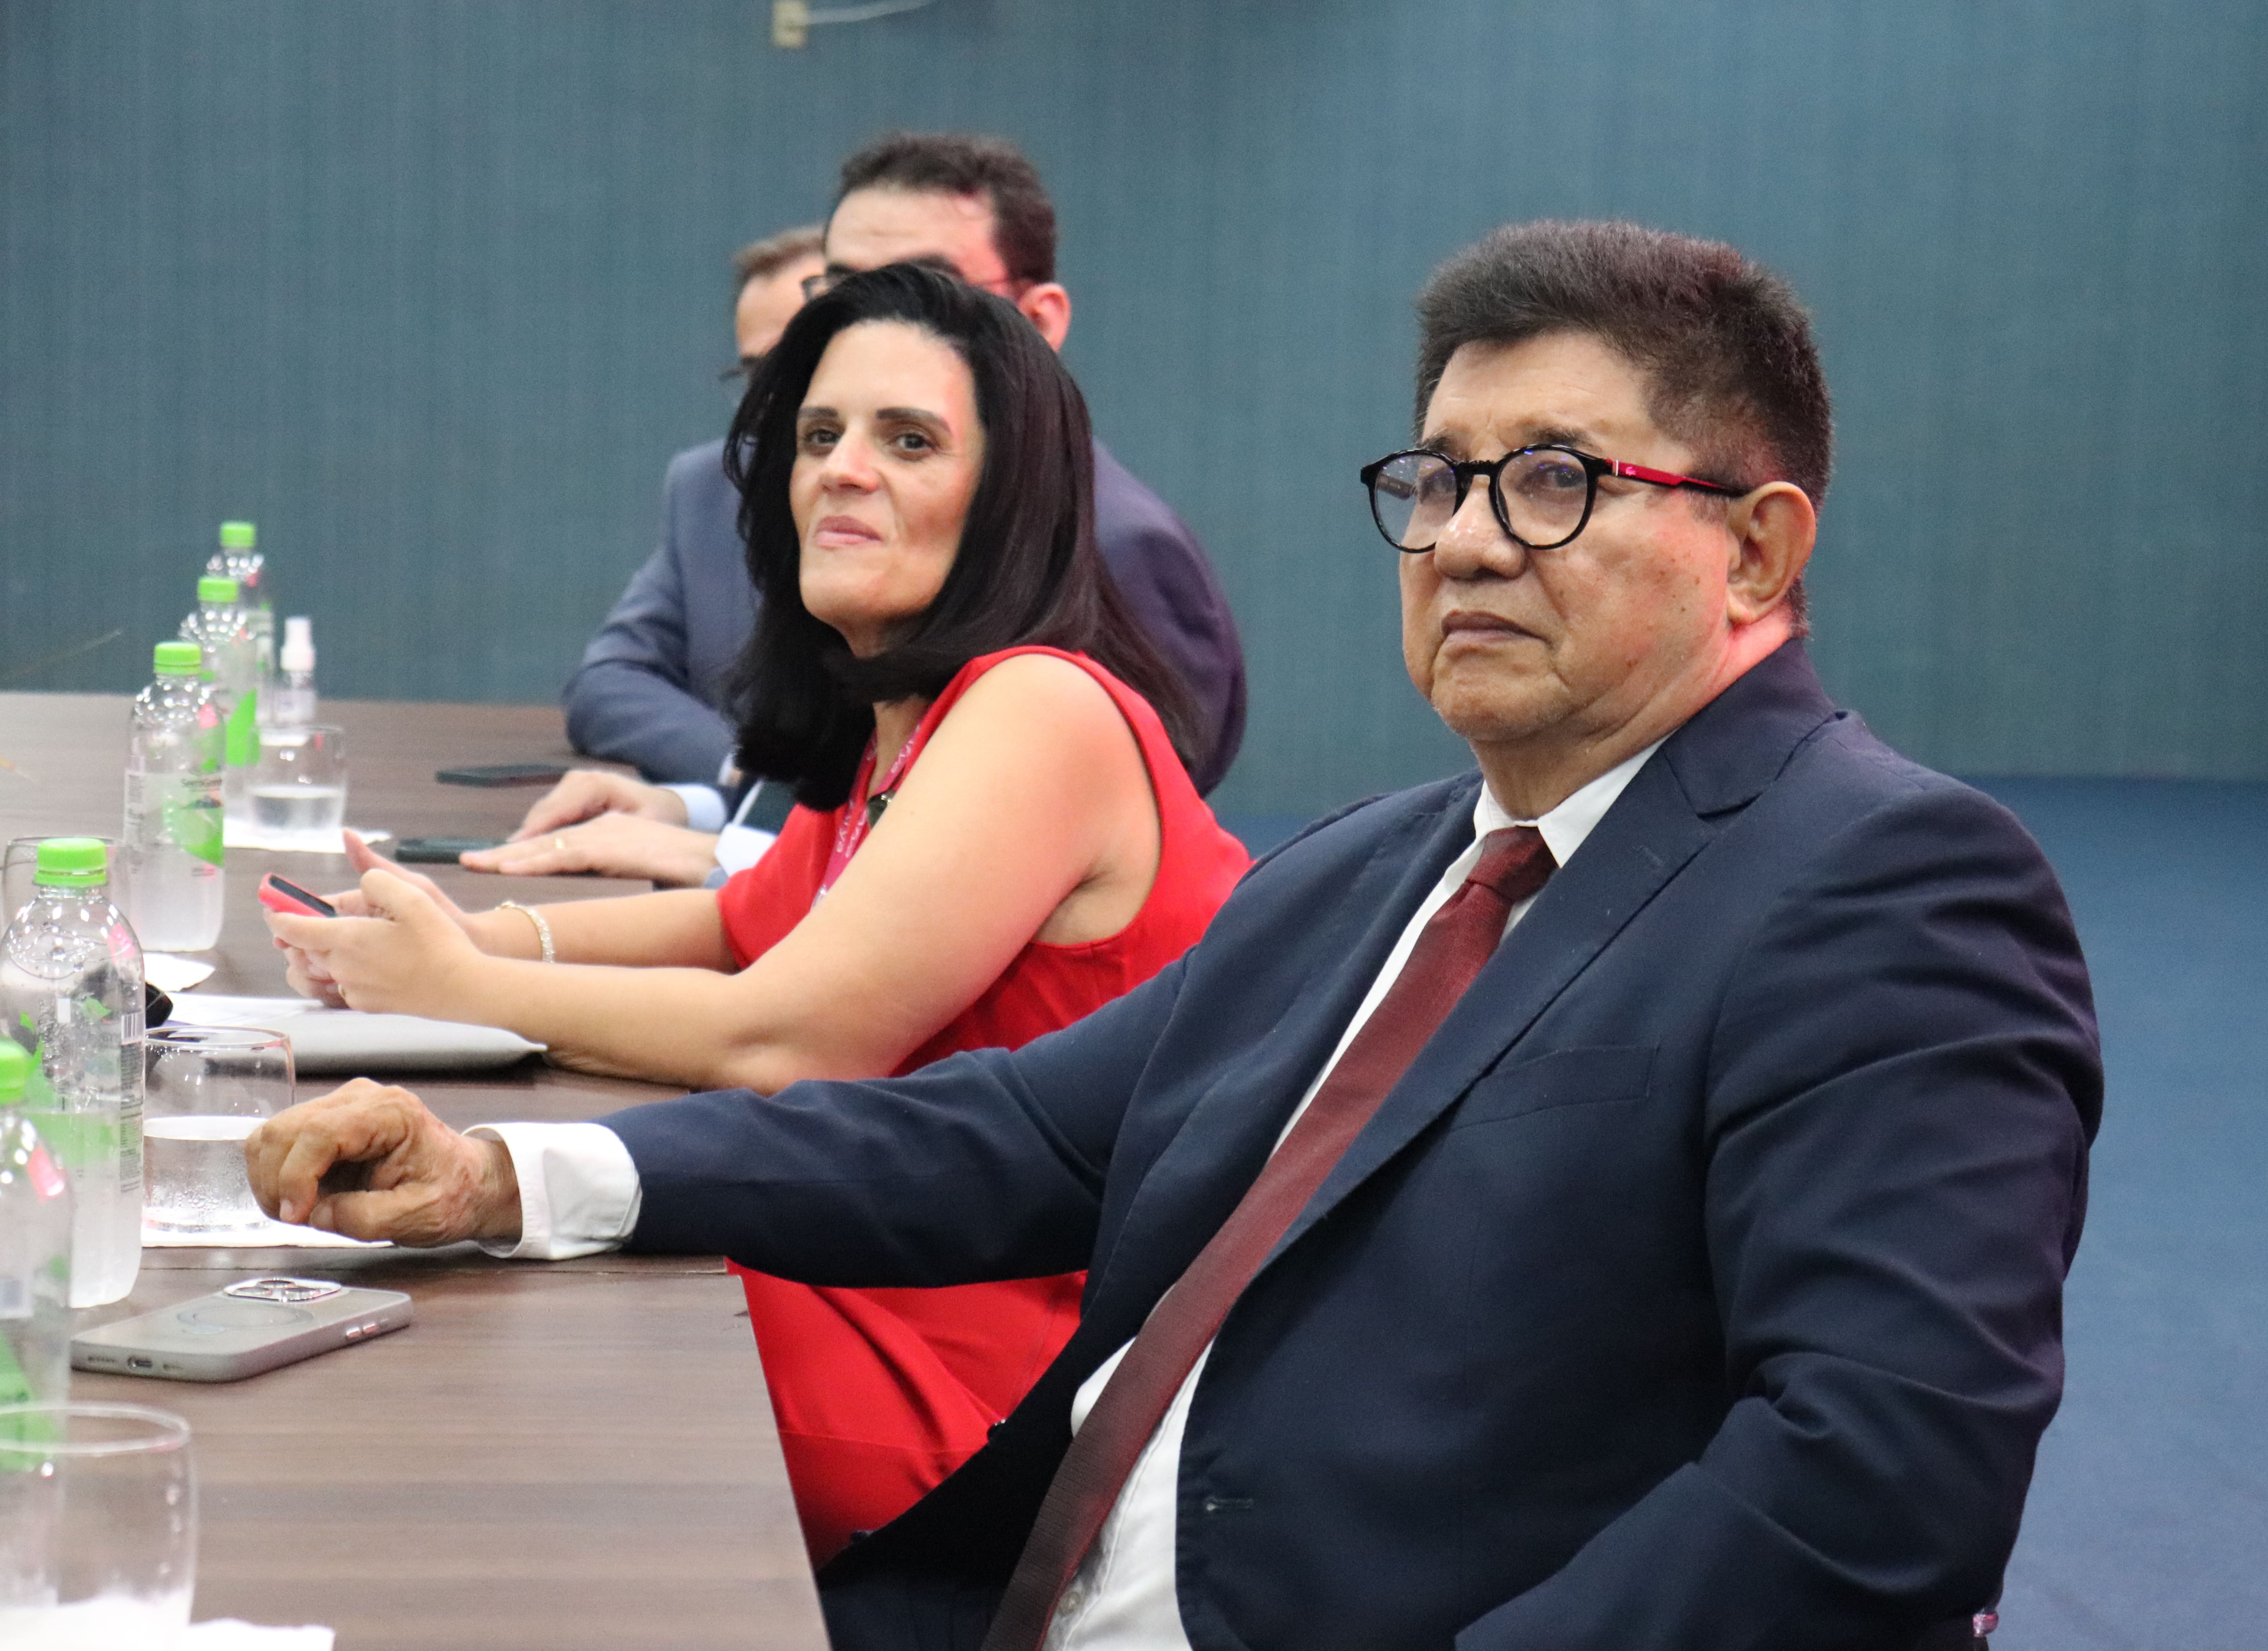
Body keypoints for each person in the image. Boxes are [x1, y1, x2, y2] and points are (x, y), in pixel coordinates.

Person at [250, 221, 2102, 1651]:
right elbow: (1016, 1136)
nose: (1466, 543)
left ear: (1759, 551)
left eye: (1556, 481)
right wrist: (510, 1174)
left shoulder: (1884, 883)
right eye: (1439, 480)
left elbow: (1878, 1475)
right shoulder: (1376, 866)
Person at [268, 263, 1254, 1563]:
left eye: (910, 441)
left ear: (1010, 496)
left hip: (986, 1380)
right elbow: (742, 923)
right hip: (858, 1273)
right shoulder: (905, 709)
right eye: (820, 435)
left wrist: (460, 988)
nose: (844, 470)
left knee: (441, 1352)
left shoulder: (1043, 707)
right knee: (432, 1318)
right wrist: (475, 936)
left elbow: (786, 1039)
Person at [528, 131, 1248, 888]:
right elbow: (845, 792)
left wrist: (729, 860)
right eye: (842, 289)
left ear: (1038, 321)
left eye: (922, 286)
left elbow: (1055, 869)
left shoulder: (1123, 547)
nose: (871, 322)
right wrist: (709, 815)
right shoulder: (798, 493)